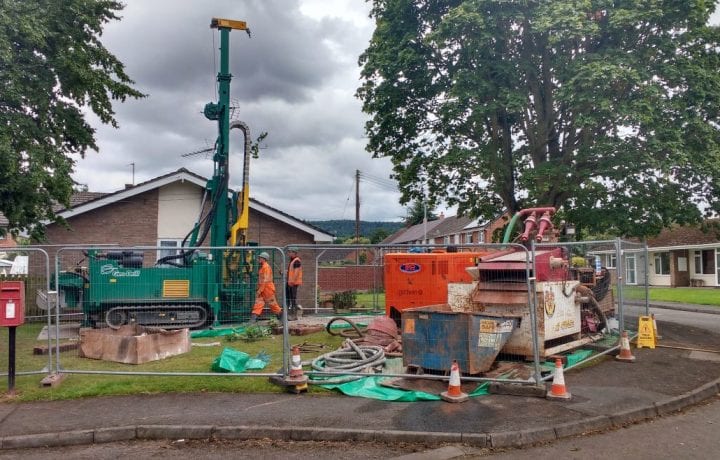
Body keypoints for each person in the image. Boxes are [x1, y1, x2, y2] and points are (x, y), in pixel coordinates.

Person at [250, 252, 282, 323]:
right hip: (263, 290)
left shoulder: (266, 267)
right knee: (258, 304)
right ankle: (252, 320)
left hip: (267, 290)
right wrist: (259, 289)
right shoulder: (263, 267)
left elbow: (265, 281)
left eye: (260, 257)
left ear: (264, 259)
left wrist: (259, 290)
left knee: (273, 305)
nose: (259, 259)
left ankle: (282, 319)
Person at [285, 247, 303, 321]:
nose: (289, 253)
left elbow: (296, 272)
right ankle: (289, 315)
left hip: (293, 283)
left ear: (294, 252)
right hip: (290, 282)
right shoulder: (292, 261)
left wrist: (292, 281)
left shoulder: (297, 261)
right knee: (289, 298)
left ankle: (293, 315)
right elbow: (291, 272)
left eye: (290, 252)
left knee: (293, 299)